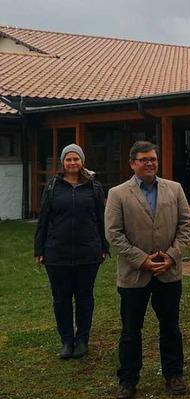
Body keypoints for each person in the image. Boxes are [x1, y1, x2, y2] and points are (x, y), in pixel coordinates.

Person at [105, 141, 190, 399]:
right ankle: (128, 380)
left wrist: (171, 256)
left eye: (153, 159)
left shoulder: (174, 189)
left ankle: (174, 374)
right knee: (131, 330)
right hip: (134, 275)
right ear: (132, 163)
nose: (150, 163)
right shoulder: (118, 194)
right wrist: (142, 260)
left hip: (168, 272)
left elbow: (185, 225)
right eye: (144, 160)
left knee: (170, 328)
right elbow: (114, 234)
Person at [34, 144, 108, 360]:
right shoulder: (52, 187)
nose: (72, 163)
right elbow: (44, 220)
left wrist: (103, 246)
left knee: (85, 297)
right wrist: (39, 249)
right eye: (69, 159)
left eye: (76, 159)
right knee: (61, 299)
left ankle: (82, 339)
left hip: (88, 253)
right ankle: (67, 340)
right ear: (63, 163)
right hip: (57, 253)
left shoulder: (94, 187)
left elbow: (100, 218)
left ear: (82, 162)